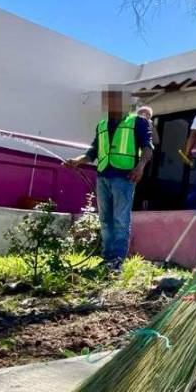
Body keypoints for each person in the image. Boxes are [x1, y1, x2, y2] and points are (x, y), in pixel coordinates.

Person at [64, 87, 153, 271]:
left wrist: (140, 167)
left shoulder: (138, 122)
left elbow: (147, 148)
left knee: (121, 219)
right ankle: (107, 257)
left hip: (124, 176)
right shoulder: (102, 125)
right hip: (103, 176)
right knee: (105, 219)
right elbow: (93, 151)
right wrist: (78, 161)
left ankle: (117, 260)